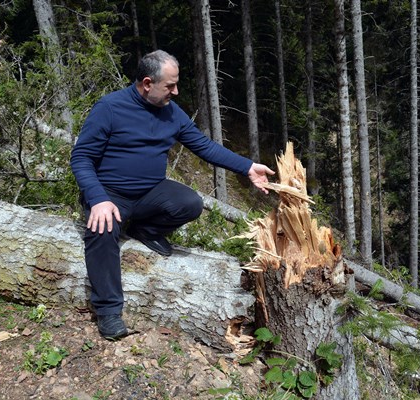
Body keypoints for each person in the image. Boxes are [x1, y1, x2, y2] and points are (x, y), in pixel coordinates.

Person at [70, 50, 274, 340]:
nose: (175, 92)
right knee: (101, 234)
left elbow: (204, 147)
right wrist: (97, 198)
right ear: (147, 83)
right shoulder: (110, 108)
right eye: (170, 86)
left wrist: (248, 167)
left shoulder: (171, 113)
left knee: (189, 203)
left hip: (149, 192)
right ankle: (109, 310)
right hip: (109, 195)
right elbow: (81, 158)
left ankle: (144, 230)